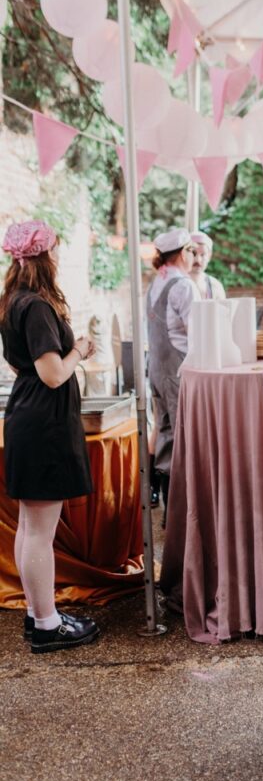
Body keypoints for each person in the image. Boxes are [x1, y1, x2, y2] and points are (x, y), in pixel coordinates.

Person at [0, 220, 100, 654]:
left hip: (28, 417)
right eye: (55, 249)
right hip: (43, 422)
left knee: (30, 526)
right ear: (44, 257)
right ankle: (46, 624)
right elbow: (54, 374)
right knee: (39, 530)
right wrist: (80, 348)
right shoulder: (37, 306)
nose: (59, 256)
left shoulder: (12, 301)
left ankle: (39, 613)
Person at [146, 228, 200, 524]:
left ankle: (170, 512)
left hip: (156, 370)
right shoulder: (183, 285)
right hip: (178, 372)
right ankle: (181, 514)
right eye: (192, 251)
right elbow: (198, 334)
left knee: (166, 436)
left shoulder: (157, 281)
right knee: (185, 438)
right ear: (183, 253)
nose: (194, 257)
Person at [189, 231, 226, 300]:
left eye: (202, 255)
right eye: (193, 253)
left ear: (209, 256)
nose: (198, 260)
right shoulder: (176, 284)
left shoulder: (215, 286)